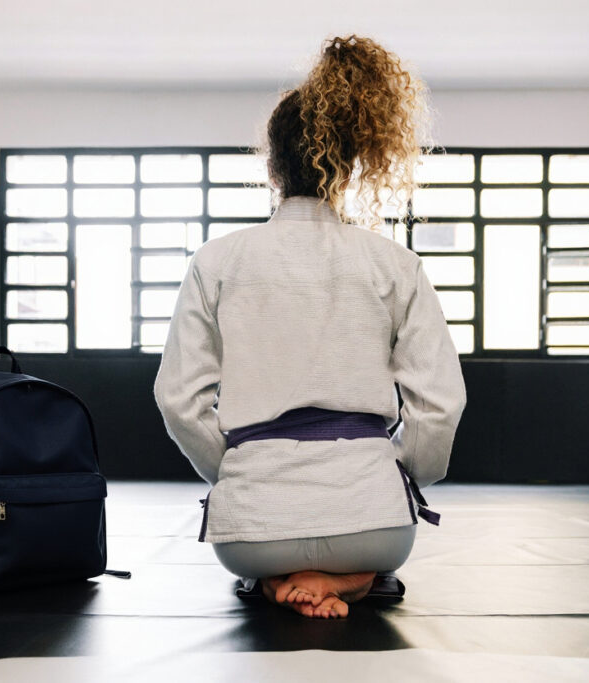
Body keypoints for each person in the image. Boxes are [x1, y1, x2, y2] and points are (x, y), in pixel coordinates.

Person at [153, 34, 467, 619]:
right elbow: (439, 405)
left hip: (250, 537)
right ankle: (349, 579)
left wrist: (236, 471)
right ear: (346, 167)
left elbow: (177, 401)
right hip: (375, 530)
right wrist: (398, 474)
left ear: (271, 167)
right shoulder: (394, 263)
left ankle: (277, 581)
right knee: (377, 551)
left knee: (262, 550)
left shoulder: (217, 262)